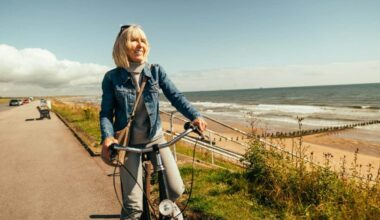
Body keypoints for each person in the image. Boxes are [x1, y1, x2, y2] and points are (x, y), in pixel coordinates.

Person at [99, 24, 207, 219]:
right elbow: (106, 113)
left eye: (143, 41)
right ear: (122, 45)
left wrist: (195, 116)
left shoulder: (156, 71)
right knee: (133, 208)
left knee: (175, 191)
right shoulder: (112, 78)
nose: (140, 45)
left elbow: (176, 96)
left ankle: (169, 213)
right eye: (134, 40)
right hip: (128, 145)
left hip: (155, 139)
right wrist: (108, 137)